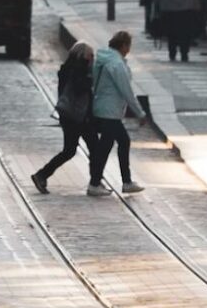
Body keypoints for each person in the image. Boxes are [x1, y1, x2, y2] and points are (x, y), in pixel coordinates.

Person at [31, 42, 97, 194]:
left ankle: (42, 174)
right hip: (78, 117)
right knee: (91, 148)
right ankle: (95, 182)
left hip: (69, 116)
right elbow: (81, 88)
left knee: (71, 150)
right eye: (90, 55)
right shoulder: (79, 69)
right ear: (82, 55)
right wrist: (90, 77)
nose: (93, 58)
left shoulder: (68, 67)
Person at [88, 31, 147, 196]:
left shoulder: (104, 59)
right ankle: (96, 183)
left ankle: (124, 181)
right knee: (106, 147)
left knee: (121, 142)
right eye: (128, 46)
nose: (129, 50)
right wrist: (140, 113)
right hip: (109, 111)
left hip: (103, 107)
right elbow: (126, 90)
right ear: (123, 46)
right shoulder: (116, 64)